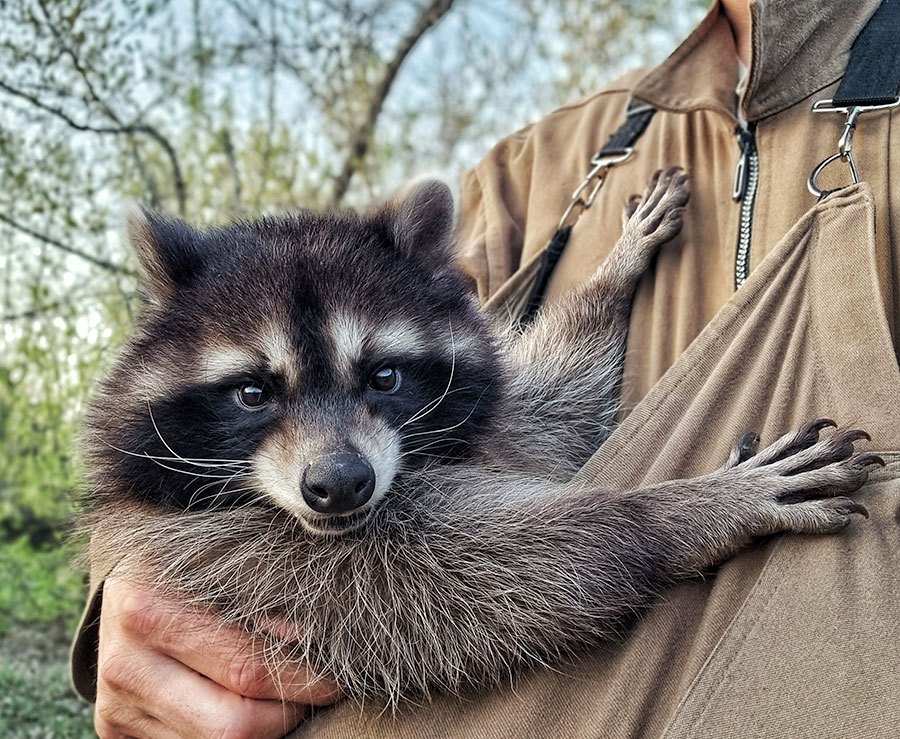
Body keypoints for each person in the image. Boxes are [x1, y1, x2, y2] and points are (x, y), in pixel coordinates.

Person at [74, 0, 900, 736]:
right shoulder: (554, 158)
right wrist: (117, 620)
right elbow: (528, 572)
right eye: (256, 391)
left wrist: (612, 276)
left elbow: (534, 404)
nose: (334, 465)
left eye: (380, 380)